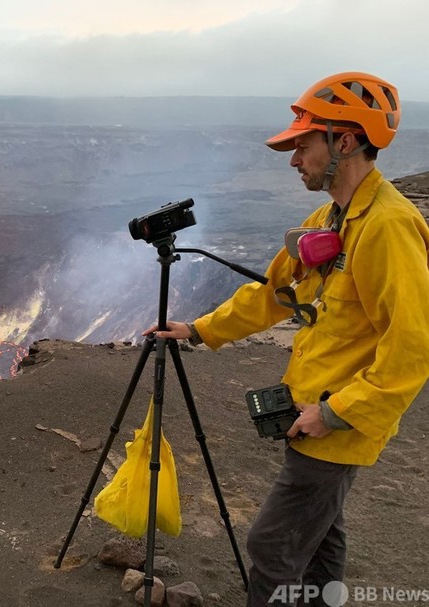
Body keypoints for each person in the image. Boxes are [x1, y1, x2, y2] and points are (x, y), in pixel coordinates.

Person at [146, 72, 429, 606]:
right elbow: (275, 293)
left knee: (273, 546)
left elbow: (413, 347)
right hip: (312, 411)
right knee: (321, 541)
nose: (294, 158)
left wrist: (335, 412)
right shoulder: (330, 218)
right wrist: (200, 329)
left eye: (303, 143)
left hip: (336, 422)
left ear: (345, 141)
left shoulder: (387, 227)